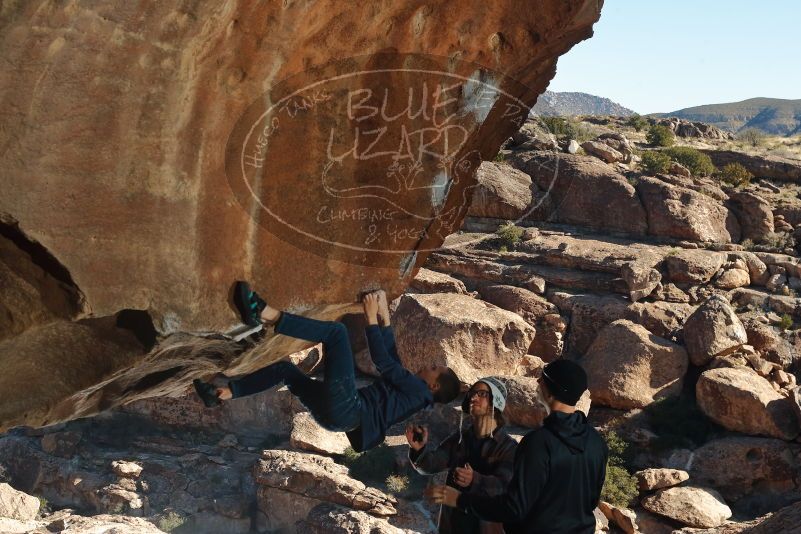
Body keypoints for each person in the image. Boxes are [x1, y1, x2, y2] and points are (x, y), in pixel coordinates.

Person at [193, 282, 461, 452]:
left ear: (434, 385)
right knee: (285, 371)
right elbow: (391, 357)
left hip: (348, 408)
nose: (430, 365)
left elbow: (383, 362)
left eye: (435, 368)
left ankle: (264, 313)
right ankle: (223, 394)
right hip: (336, 420)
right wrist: (384, 314)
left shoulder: (418, 391)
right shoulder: (416, 395)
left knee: (337, 332)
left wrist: (369, 317)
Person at [426, 359, 608, 534]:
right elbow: (591, 501)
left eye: (543, 379)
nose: (537, 381)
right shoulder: (597, 443)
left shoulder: (538, 443)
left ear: (551, 392)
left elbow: (514, 508)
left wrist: (459, 500)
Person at [406, 376, 517, 534]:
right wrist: (418, 450)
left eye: (482, 393)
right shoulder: (460, 439)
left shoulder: (508, 448)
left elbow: (506, 488)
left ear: (496, 401)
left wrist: (475, 480)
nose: (473, 397)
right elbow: (431, 464)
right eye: (472, 393)